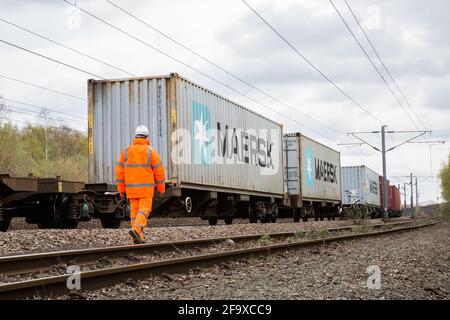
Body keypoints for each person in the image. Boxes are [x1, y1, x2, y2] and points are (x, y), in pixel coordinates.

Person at [115, 125, 165, 244]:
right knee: (144, 210)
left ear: (135, 137)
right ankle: (137, 230)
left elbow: (119, 173)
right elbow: (159, 171)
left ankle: (137, 237)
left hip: (131, 190)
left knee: (135, 212)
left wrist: (121, 190)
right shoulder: (151, 151)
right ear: (147, 137)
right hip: (146, 189)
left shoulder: (126, 152)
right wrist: (161, 188)